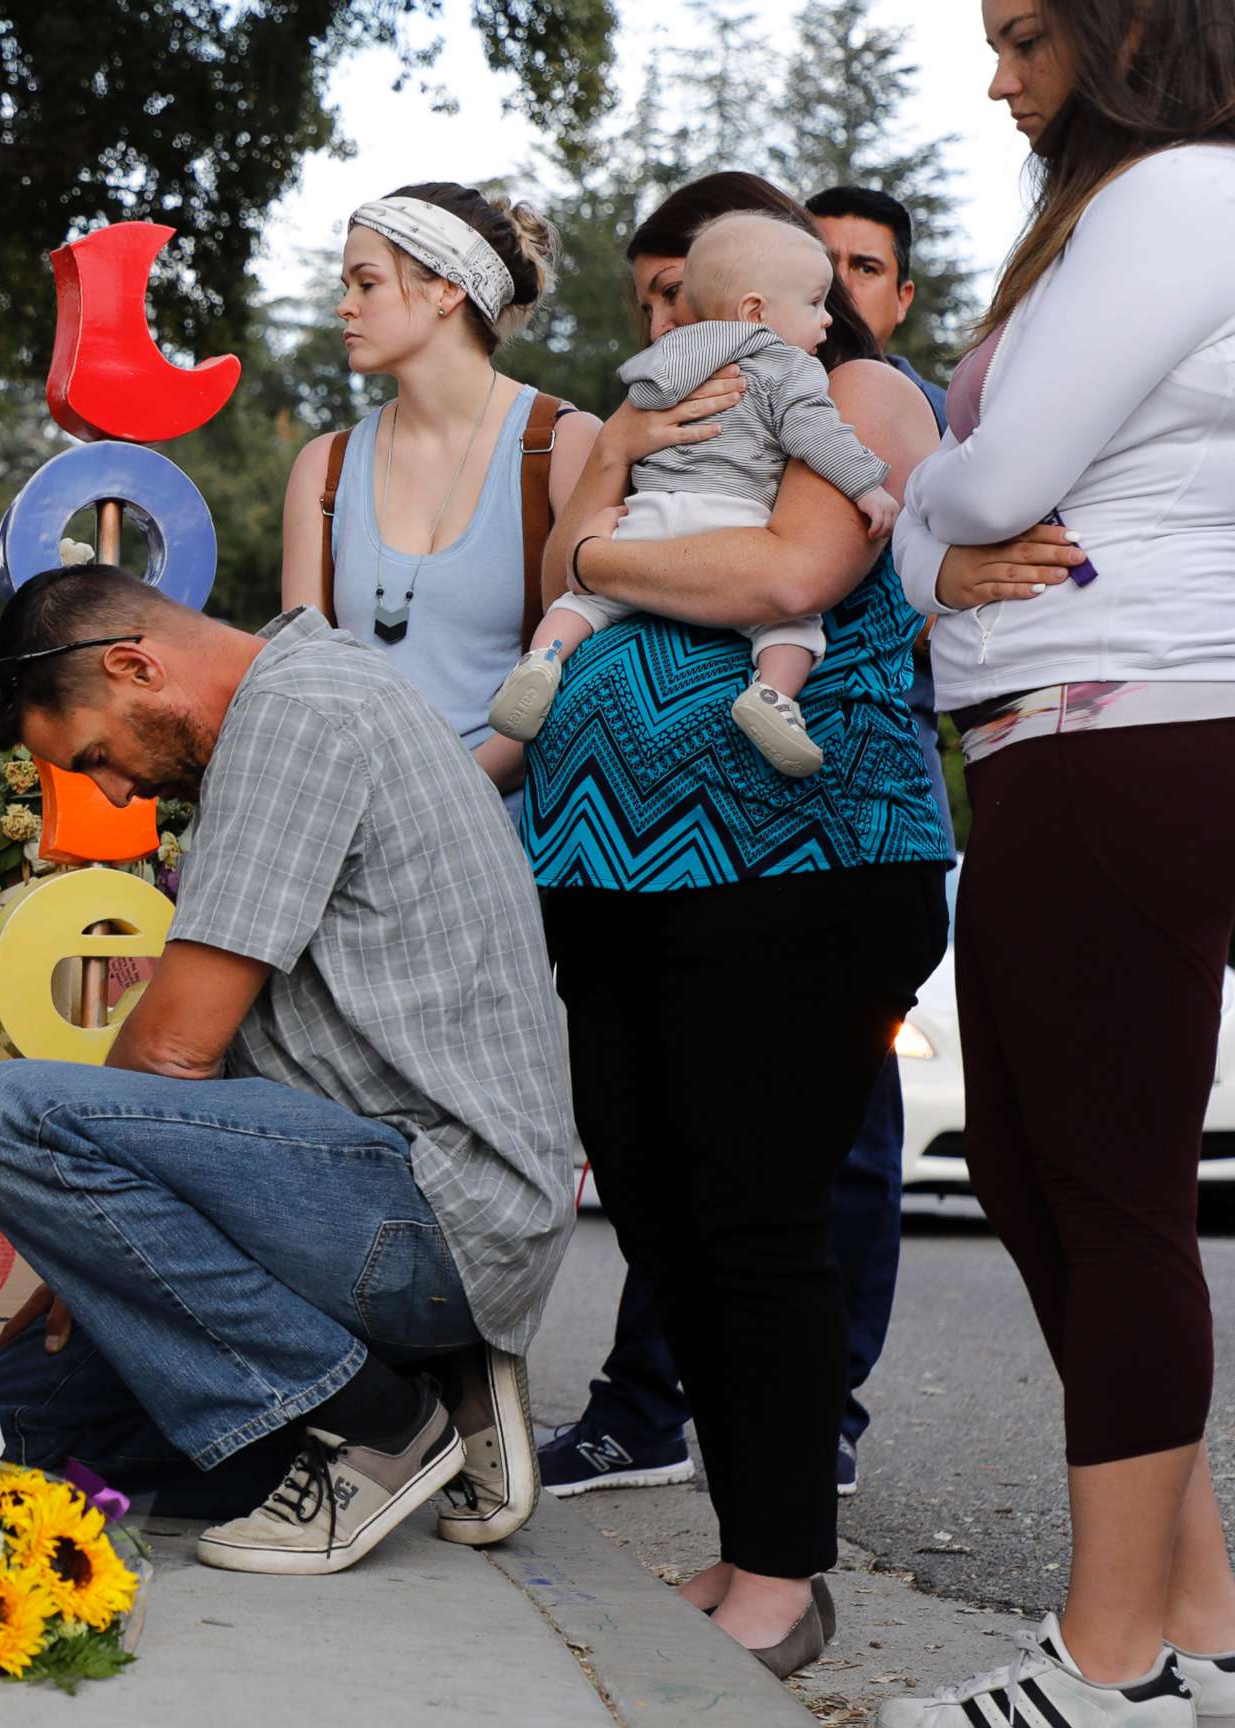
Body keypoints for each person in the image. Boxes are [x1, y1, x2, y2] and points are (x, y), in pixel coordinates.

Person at [524, 170, 950, 1677]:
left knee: (755, 1206)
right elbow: (545, 575)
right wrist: (611, 479)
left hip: (802, 863)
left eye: (715, 294)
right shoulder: (649, 417)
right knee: (652, 1197)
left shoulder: (859, 396)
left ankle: (785, 1570)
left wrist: (597, 555)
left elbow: (786, 569)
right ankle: (740, 1540)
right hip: (610, 868)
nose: (694, 318)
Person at [0, 561, 576, 1574]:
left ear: (133, 665)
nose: (118, 793)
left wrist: (70, 1207)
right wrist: (85, 1257)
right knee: (7, 1442)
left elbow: (171, 1050)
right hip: (374, 1189)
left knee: (12, 1117)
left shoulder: (298, 719)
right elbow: (185, 1060)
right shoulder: (307, 693)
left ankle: (381, 1421)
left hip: (435, 1211)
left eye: (98, 756)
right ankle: (433, 1380)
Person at [878, 1, 1235, 1723]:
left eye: (1023, 33)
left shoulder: (1177, 193)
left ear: (1124, 26)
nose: (996, 74)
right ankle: (1202, 1625)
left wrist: (918, 508)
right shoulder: (1131, 208)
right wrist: (933, 541)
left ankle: (1108, 1669)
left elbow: (996, 476)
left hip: (1127, 727)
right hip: (1063, 738)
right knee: (1033, 1175)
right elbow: (949, 527)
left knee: (1102, 1192)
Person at [488, 214, 899, 778]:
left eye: (672, 295)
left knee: (580, 605)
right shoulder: (785, 364)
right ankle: (773, 694)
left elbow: (789, 578)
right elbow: (815, 433)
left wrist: (591, 559)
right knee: (792, 631)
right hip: (730, 517)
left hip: (647, 516)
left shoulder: (666, 366)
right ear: (755, 310)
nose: (826, 316)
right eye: (814, 302)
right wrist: (867, 486)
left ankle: (542, 658)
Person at [279, 183, 599, 808]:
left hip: (511, 850)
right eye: (346, 287)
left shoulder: (563, 445)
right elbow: (302, 677)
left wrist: (439, 799)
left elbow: (583, 675)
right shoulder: (324, 467)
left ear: (447, 289)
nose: (345, 306)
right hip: (356, 835)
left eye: (366, 284)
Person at [808, 185, 951, 431]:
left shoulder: (953, 425)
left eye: (866, 268)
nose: (839, 284)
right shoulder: (737, 393)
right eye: (823, 261)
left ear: (902, 300)